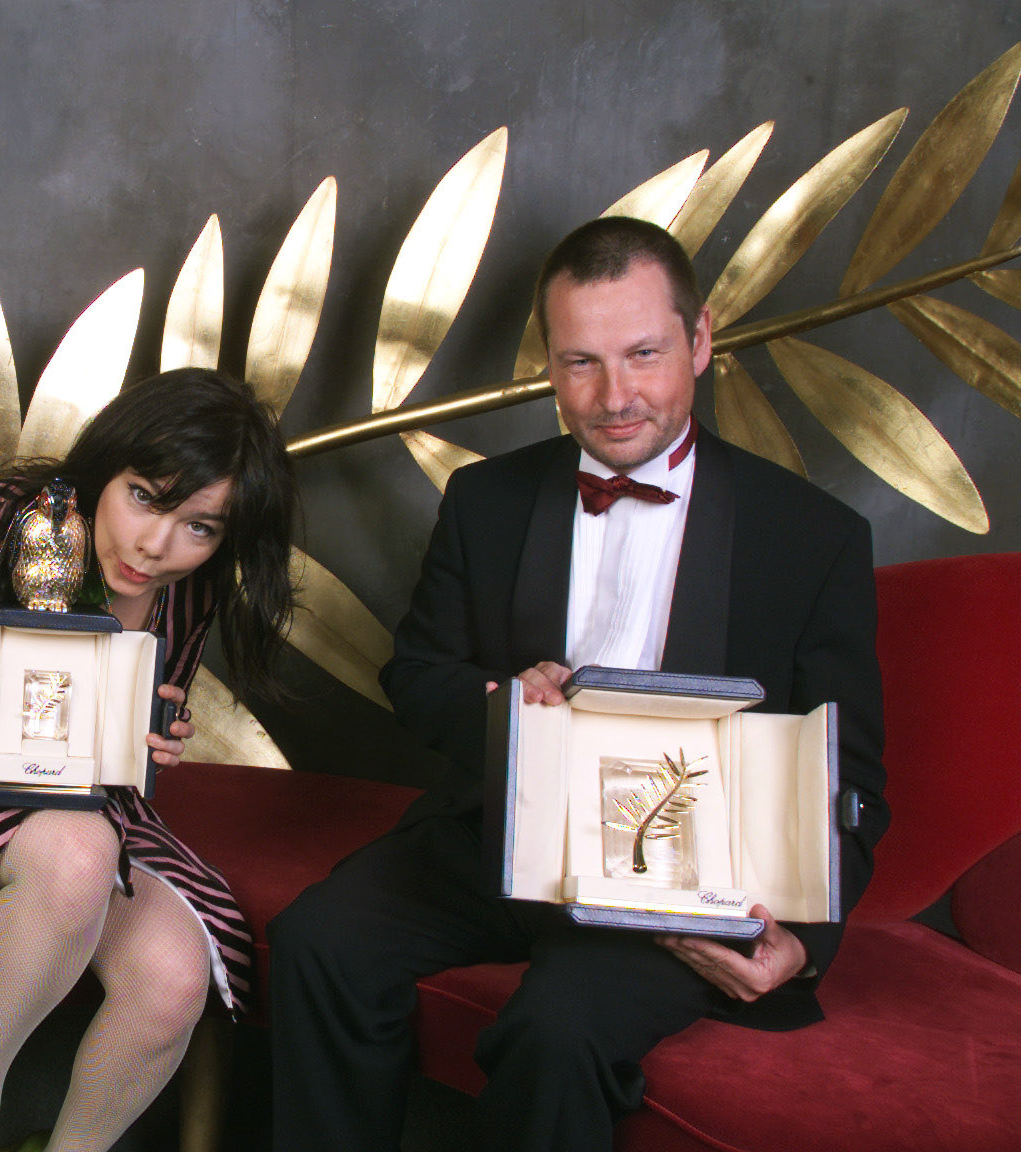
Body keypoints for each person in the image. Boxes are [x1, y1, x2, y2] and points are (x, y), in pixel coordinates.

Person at [267, 217, 889, 1152]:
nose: (614, 396)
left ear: (702, 340)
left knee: (556, 1031)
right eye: (581, 362)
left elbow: (853, 780)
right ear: (551, 365)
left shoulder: (814, 536)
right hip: (501, 838)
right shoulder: (486, 500)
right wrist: (499, 707)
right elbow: (419, 672)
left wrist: (805, 946)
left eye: (644, 353)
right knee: (321, 942)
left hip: (683, 881)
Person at [0, 367, 297, 1152]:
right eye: (145, 495)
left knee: (173, 975)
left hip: (93, 801)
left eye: (200, 526)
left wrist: (158, 736)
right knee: (78, 855)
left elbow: (147, 704)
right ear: (107, 467)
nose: (156, 545)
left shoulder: (191, 587)